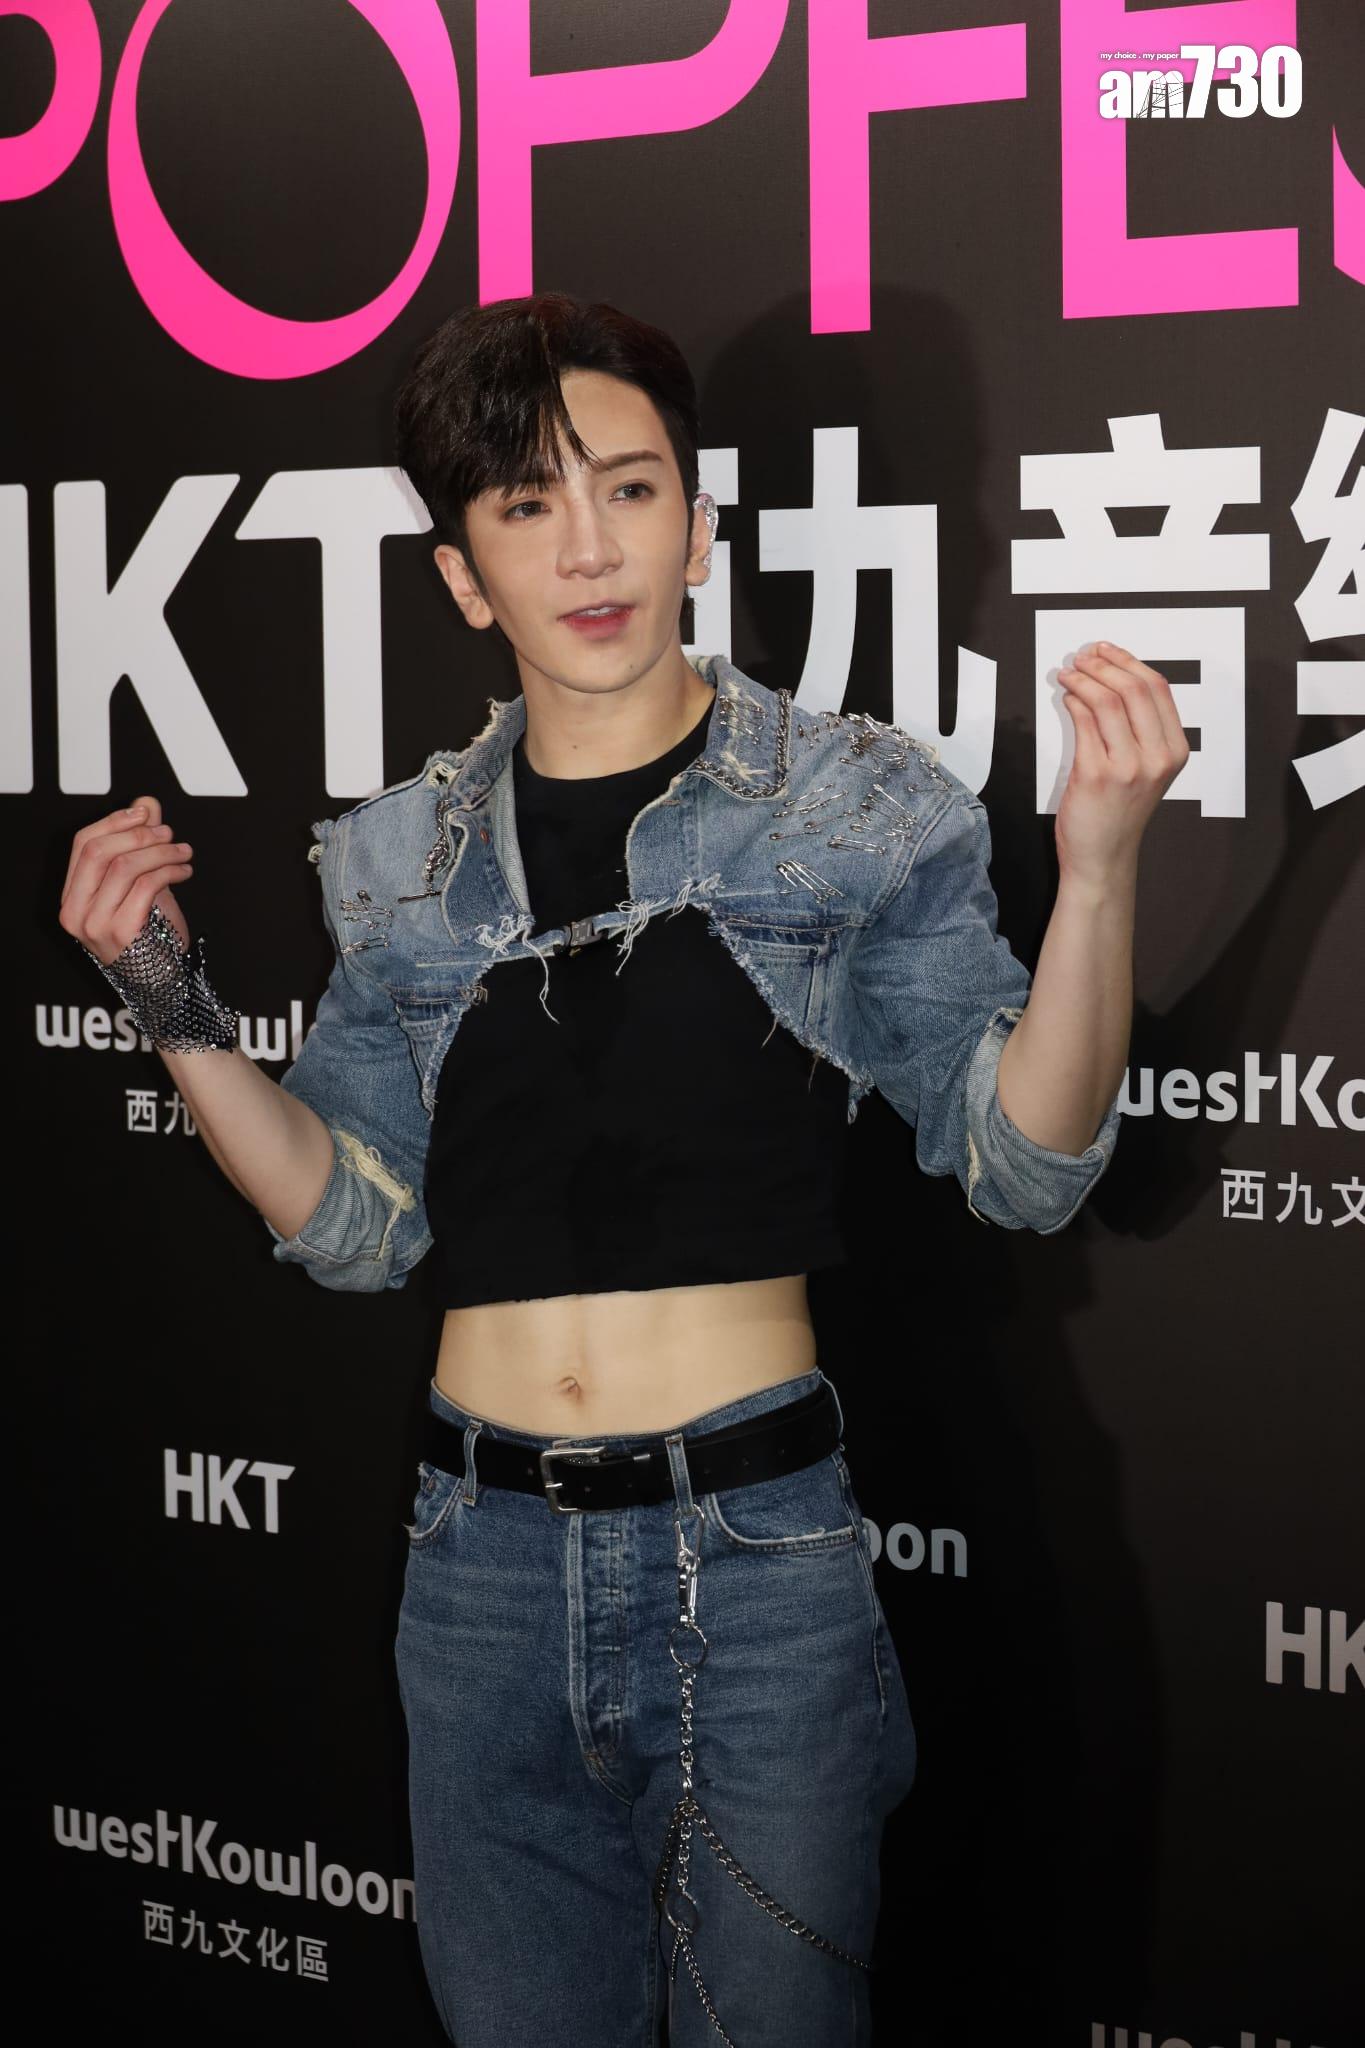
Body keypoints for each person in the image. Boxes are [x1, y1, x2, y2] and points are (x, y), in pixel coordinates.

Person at [59, 291, 1187, 2045]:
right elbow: (353, 1224)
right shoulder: (394, 857)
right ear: (462, 575)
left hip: (755, 1565)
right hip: (476, 1572)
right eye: (527, 506)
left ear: (698, 528)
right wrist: (167, 998)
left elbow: (1024, 1162)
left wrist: (1099, 875)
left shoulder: (848, 806)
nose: (588, 549)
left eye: (630, 490)